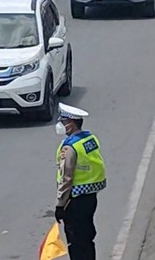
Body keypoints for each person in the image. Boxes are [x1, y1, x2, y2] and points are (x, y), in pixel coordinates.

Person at [54, 103, 106, 260]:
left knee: (76, 242)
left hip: (74, 201)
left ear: (71, 123)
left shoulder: (70, 147)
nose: (60, 125)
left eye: (63, 122)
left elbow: (66, 179)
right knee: (87, 237)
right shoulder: (89, 139)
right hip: (91, 196)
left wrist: (60, 205)